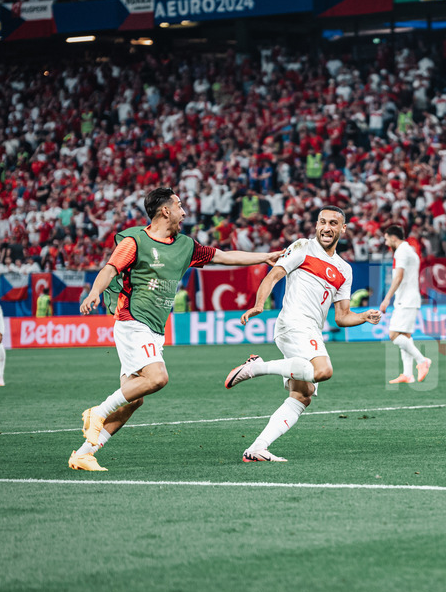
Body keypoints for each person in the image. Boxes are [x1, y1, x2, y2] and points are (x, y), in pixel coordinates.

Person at [70, 188, 282, 472]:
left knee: (134, 400)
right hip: (133, 321)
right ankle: (97, 412)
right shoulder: (136, 240)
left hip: (155, 330)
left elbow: (223, 256)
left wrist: (265, 256)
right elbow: (110, 269)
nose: (184, 211)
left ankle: (84, 453)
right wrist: (94, 292)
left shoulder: (185, 246)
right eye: (179, 206)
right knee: (157, 377)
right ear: (165, 210)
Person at [224, 206, 382, 462]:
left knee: (302, 395)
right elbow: (274, 274)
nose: (326, 228)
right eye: (322, 222)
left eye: (333, 223)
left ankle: (256, 448)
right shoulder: (302, 247)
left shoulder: (344, 269)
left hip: (311, 330)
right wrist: (259, 303)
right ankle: (257, 367)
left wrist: (364, 316)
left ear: (343, 229)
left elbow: (342, 317)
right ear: (316, 225)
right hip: (295, 322)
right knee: (323, 370)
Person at [379, 225, 432, 384]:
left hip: (406, 300)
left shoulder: (401, 251)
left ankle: (422, 361)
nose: (386, 242)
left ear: (393, 237)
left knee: (394, 335)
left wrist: (387, 298)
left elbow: (399, 277)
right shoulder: (410, 250)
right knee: (405, 336)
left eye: (387, 238)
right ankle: (408, 374)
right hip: (409, 298)